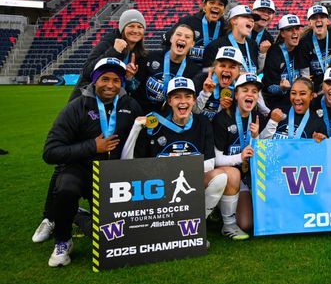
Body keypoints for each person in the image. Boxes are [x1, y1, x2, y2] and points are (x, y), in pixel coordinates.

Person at [42, 58, 143, 266]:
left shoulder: (130, 105)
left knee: (114, 239)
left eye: (116, 80)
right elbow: (50, 152)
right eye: (104, 79)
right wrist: (92, 147)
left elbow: (141, 143)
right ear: (95, 80)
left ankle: (79, 216)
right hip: (81, 170)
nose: (110, 85)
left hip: (114, 176)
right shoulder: (77, 107)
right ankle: (63, 240)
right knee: (65, 188)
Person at [121, 77, 232, 242]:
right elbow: (127, 163)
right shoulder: (155, 123)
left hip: (188, 182)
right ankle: (163, 226)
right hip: (158, 188)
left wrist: (175, 170)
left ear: (194, 100)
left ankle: (194, 226)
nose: (183, 101)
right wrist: (136, 129)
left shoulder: (202, 123)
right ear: (169, 101)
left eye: (188, 97)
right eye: (177, 97)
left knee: (221, 177)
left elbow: (209, 163)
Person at [210, 73, 266, 239]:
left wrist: (256, 138)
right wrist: (239, 157)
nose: (250, 94)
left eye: (254, 91)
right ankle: (220, 208)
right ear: (236, 94)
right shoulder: (221, 119)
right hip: (230, 176)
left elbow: (264, 155)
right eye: (245, 90)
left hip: (250, 176)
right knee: (245, 224)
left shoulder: (259, 118)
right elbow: (216, 160)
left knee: (249, 223)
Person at [69, 8, 147, 102]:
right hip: (87, 102)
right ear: (122, 28)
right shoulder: (109, 42)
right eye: (131, 26)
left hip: (114, 103)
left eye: (140, 27)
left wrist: (129, 77)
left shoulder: (139, 53)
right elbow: (87, 71)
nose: (135, 30)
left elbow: (134, 89)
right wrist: (114, 51)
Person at [139, 22, 199, 112]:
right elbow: (134, 87)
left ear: (192, 44)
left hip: (169, 120)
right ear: (171, 38)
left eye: (187, 37)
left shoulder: (194, 70)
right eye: (178, 34)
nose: (182, 38)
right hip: (142, 113)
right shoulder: (151, 57)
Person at [172, 0, 228, 65]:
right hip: (187, 70)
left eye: (220, 4)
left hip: (214, 71)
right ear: (204, 6)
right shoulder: (188, 21)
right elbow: (168, 40)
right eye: (212, 3)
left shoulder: (226, 27)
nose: (216, 6)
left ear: (224, 10)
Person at [261, 77, 328, 141]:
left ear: (311, 96)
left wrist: (319, 144)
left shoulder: (318, 123)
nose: (297, 98)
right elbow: (261, 144)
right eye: (293, 93)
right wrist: (273, 122)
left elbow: (322, 151)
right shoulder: (277, 113)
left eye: (302, 94)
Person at [297, 5, 331, 91]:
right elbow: (305, 73)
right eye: (314, 18)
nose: (318, 20)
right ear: (310, 23)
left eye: (322, 17)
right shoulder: (304, 42)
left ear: (327, 21)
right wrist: (311, 91)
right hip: (314, 85)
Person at [262, 14, 304, 111]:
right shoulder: (273, 53)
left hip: (299, 101)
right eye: (290, 29)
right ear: (282, 33)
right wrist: (281, 88)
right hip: (277, 104)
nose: (295, 32)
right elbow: (268, 87)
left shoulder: (302, 48)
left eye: (297, 28)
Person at [193, 46, 247, 121]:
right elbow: (193, 112)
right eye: (222, 66)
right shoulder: (200, 80)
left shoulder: (241, 86)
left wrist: (224, 109)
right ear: (214, 67)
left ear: (238, 71)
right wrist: (205, 93)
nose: (226, 70)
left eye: (232, 67)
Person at [202, 5, 260, 73]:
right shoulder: (216, 46)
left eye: (253, 19)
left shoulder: (253, 45)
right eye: (247, 17)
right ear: (234, 20)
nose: (252, 20)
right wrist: (236, 74)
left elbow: (256, 70)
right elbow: (205, 71)